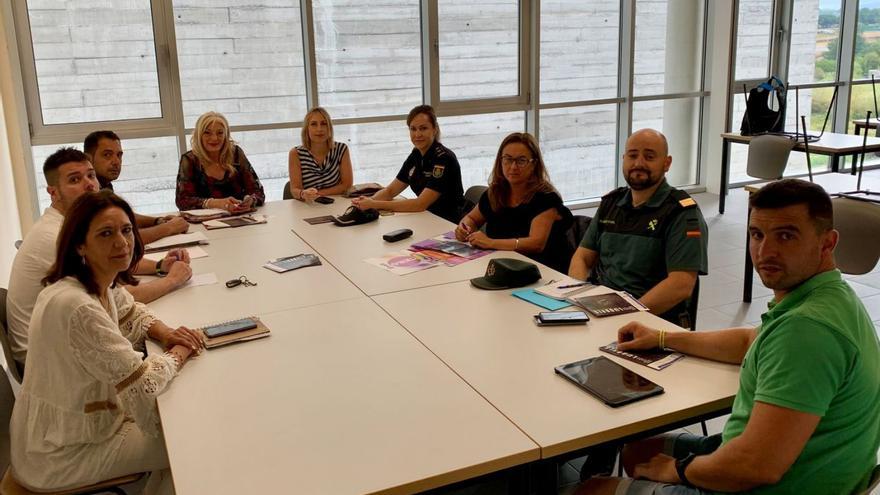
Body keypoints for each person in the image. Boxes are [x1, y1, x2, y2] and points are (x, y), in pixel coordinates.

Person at [576, 180, 880, 495]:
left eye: (786, 236)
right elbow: (750, 341)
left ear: (827, 243)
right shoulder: (829, 296)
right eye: (757, 235)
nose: (766, 252)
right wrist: (662, 337)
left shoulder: (806, 329)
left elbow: (755, 466)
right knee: (637, 450)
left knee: (591, 490)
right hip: (794, 463)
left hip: (759, 480)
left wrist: (677, 471)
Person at [9, 190, 204, 493]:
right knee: (189, 442)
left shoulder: (91, 280)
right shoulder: (77, 306)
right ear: (80, 245)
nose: (122, 242)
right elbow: (144, 387)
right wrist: (180, 352)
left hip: (63, 432)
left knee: (179, 435)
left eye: (126, 230)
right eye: (106, 234)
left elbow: (132, 310)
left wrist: (165, 333)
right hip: (62, 454)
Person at [6, 148, 191, 368]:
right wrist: (172, 280)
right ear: (53, 192)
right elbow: (127, 295)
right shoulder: (56, 238)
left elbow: (121, 298)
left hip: (63, 339)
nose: (89, 185)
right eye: (75, 179)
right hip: (49, 360)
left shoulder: (73, 226)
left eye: (91, 175)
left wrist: (160, 266)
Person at [568, 129, 708, 328]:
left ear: (666, 163)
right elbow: (582, 257)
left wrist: (627, 316)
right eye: (632, 156)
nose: (639, 163)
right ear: (624, 159)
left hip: (650, 322)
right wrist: (578, 296)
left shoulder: (682, 213)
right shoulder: (611, 203)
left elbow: (681, 284)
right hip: (601, 311)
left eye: (649, 157)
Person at [454, 132, 573, 272]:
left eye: (521, 161)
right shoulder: (496, 193)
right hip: (503, 266)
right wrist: (464, 228)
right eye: (508, 159)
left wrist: (491, 243)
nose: (513, 167)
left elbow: (536, 243)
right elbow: (472, 218)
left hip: (543, 271)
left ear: (534, 164)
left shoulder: (546, 198)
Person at [352, 105, 465, 223]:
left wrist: (374, 204)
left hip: (448, 222)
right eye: (413, 129)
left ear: (434, 129)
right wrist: (365, 202)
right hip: (426, 218)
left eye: (423, 128)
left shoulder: (443, 158)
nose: (417, 134)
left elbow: (420, 204)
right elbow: (390, 191)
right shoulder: (416, 155)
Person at [84, 130, 190, 244]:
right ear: (89, 158)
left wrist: (158, 221)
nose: (116, 161)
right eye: (107, 155)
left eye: (119, 155)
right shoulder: (88, 189)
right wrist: (169, 228)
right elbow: (124, 239)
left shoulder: (104, 184)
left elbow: (124, 216)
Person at [175, 111, 266, 211]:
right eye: (207, 133)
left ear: (226, 135)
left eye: (220, 133)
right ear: (198, 135)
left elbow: (257, 191)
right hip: (204, 223)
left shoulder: (236, 153)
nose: (214, 138)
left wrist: (251, 200)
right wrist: (215, 203)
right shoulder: (189, 160)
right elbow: (183, 201)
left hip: (240, 218)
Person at [288, 107, 353, 201]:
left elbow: (347, 184)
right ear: (307, 129)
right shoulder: (295, 154)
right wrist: (303, 194)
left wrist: (318, 194)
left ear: (329, 128)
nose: (319, 129)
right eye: (314, 124)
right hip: (308, 205)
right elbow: (294, 189)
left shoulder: (341, 149)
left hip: (336, 203)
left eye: (324, 124)